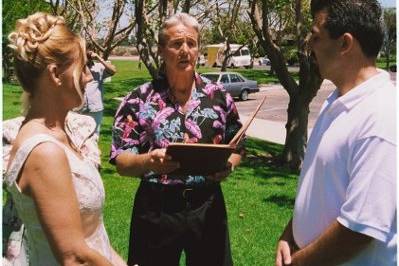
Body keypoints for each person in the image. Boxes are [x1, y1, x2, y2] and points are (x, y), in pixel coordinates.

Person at [110, 13, 244, 266]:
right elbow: (121, 160)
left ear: (198, 49)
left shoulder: (219, 97)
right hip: (156, 208)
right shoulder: (138, 100)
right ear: (161, 49)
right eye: (176, 44)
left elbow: (238, 144)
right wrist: (148, 161)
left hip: (207, 205)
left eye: (191, 44)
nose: (185, 51)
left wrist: (230, 165)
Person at [275, 1, 396, 265]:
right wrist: (290, 234)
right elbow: (318, 188)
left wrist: (298, 262)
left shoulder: (382, 115)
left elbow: (360, 229)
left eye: (315, 36)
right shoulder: (337, 101)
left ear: (345, 44)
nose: (308, 45)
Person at [5, 12, 126, 265]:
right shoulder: (43, 152)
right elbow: (74, 257)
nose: (89, 77)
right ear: (56, 74)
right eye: (82, 68)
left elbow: (92, 236)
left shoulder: (63, 133)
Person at [79, 50, 116, 136]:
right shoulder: (76, 68)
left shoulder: (99, 67)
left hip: (95, 108)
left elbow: (113, 71)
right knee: (78, 137)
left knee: (94, 136)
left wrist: (99, 58)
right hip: (79, 108)